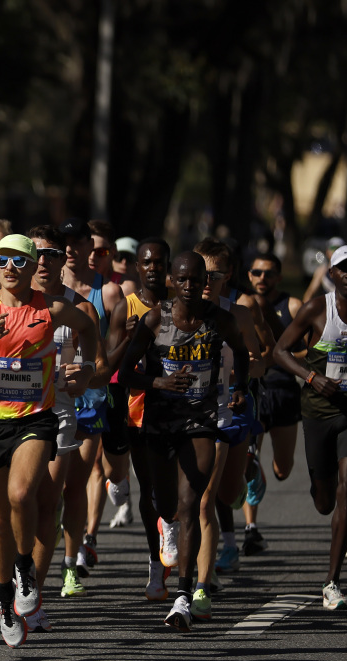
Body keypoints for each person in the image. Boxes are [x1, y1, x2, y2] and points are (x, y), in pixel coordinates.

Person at [0, 233, 97, 648]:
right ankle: (5, 600)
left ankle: (27, 570)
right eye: (3, 260)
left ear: (32, 268)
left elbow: (88, 325)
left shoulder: (53, 309)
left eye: (19, 262)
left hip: (35, 418)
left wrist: (87, 365)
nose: (10, 268)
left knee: (22, 493)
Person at [120, 251, 248, 632]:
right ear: (173, 282)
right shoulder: (155, 319)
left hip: (202, 421)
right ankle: (166, 524)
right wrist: (157, 382)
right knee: (165, 502)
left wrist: (239, 385)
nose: (191, 286)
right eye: (184, 280)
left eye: (197, 279)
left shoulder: (219, 319)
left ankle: (183, 594)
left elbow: (241, 351)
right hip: (160, 422)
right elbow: (126, 371)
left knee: (193, 502)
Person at [273, 244, 347, 611]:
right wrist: (311, 377)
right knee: (324, 501)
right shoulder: (316, 309)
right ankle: (318, 486)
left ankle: (332, 582)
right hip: (319, 414)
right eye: (345, 268)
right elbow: (280, 351)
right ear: (333, 274)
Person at [25, 225, 106, 610]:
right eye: (37, 254)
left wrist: (85, 370)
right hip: (11, 413)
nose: (44, 262)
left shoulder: (80, 307)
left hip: (64, 409)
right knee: (11, 499)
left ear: (63, 260)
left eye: (52, 255)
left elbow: (101, 365)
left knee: (57, 496)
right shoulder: (4, 302)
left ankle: (64, 568)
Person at [191, 239, 266, 619]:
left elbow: (258, 367)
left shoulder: (239, 314)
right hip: (194, 415)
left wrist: (241, 378)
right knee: (203, 501)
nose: (206, 281)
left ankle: (248, 465)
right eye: (201, 273)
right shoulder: (174, 314)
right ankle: (201, 586)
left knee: (229, 494)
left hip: (232, 409)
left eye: (215, 275)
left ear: (227, 276)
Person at [105, 238, 172, 600]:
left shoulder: (183, 302)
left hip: (181, 406)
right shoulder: (124, 309)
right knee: (150, 490)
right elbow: (108, 367)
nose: (152, 268)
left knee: (181, 492)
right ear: (137, 267)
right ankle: (155, 563)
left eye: (159, 262)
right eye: (146, 262)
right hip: (138, 406)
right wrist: (129, 339)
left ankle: (196, 573)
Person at [59, 218, 124, 585]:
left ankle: (73, 558)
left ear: (90, 248)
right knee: (50, 482)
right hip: (48, 397)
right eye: (63, 243)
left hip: (93, 395)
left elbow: (112, 350)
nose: (69, 249)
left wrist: (92, 375)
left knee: (82, 479)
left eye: (76, 242)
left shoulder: (108, 292)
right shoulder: (43, 289)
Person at [230, 252, 302, 571]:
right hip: (257, 389)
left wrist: (275, 358)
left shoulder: (293, 307)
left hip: (284, 390)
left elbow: (310, 349)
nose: (262, 278)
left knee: (282, 469)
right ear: (248, 275)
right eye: (257, 272)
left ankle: (262, 467)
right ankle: (250, 529)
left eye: (269, 273)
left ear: (279, 277)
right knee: (249, 457)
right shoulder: (243, 307)